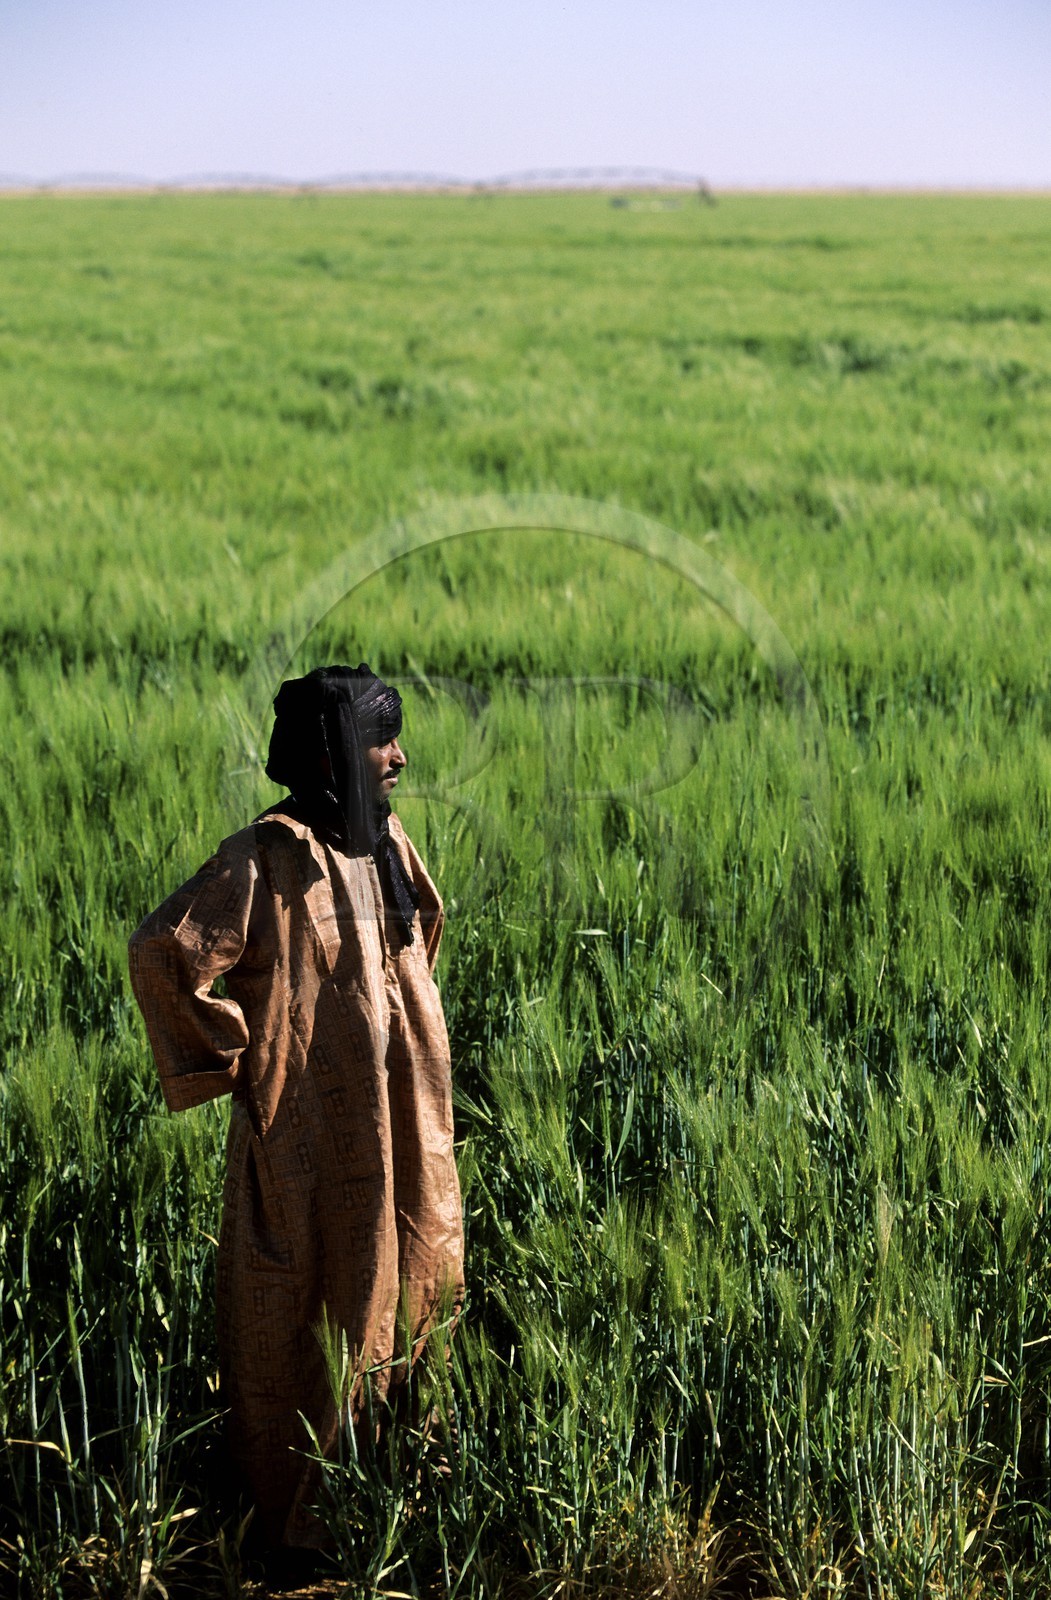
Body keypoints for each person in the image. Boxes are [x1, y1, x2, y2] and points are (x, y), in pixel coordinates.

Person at [127, 664, 465, 1553]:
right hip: (309, 1133)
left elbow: (419, 935)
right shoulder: (264, 857)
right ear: (328, 754)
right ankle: (298, 1528)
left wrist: (398, 1024)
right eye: (376, 740)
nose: (398, 755)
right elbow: (165, 953)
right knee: (309, 1300)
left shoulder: (386, 839)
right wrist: (245, 1055)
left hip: (409, 1120)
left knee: (419, 1278)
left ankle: (396, 1500)